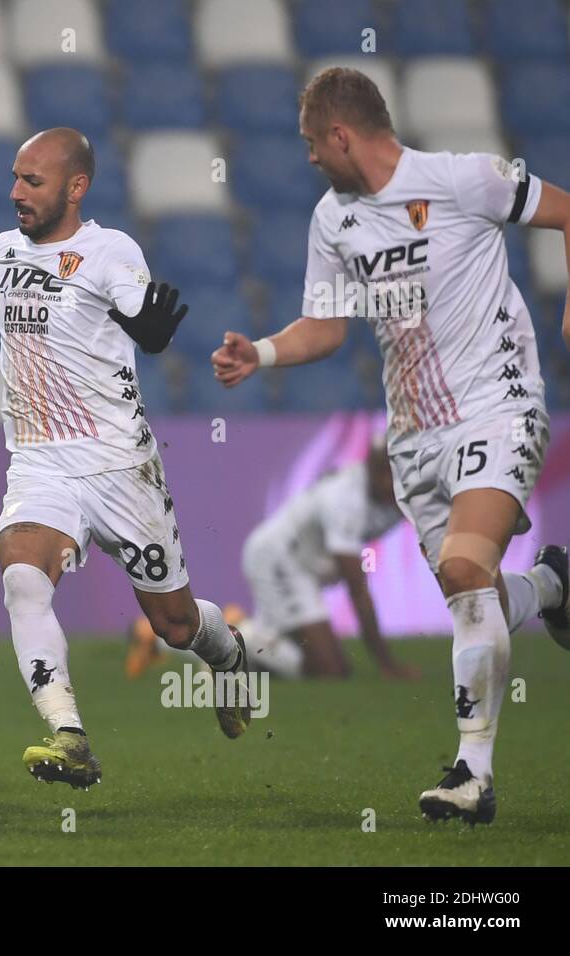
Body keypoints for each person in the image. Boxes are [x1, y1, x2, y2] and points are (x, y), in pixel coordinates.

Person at [210, 67, 570, 824]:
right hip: (412, 440)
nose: (308, 157)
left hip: (496, 409)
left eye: (312, 143)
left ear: (341, 134)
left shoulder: (464, 179)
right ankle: (551, 587)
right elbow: (327, 329)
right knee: (473, 591)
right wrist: (263, 354)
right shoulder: (332, 222)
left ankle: (472, 773)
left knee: (467, 569)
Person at [0, 127, 255, 792]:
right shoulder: (9, 250)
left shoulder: (108, 249)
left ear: (75, 187)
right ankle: (68, 734)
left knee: (176, 625)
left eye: (31, 181)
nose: (15, 192)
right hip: (41, 464)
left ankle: (230, 655)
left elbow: (135, 304)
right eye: (15, 177)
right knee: (21, 579)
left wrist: (147, 329)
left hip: (121, 469)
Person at [125, 437, 418, 680]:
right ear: (370, 468)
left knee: (276, 663)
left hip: (301, 566)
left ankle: (176, 646)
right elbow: (357, 588)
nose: (389, 480)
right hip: (279, 561)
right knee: (328, 671)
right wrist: (386, 664)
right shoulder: (345, 501)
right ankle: (237, 631)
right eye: (382, 471)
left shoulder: (399, 491)